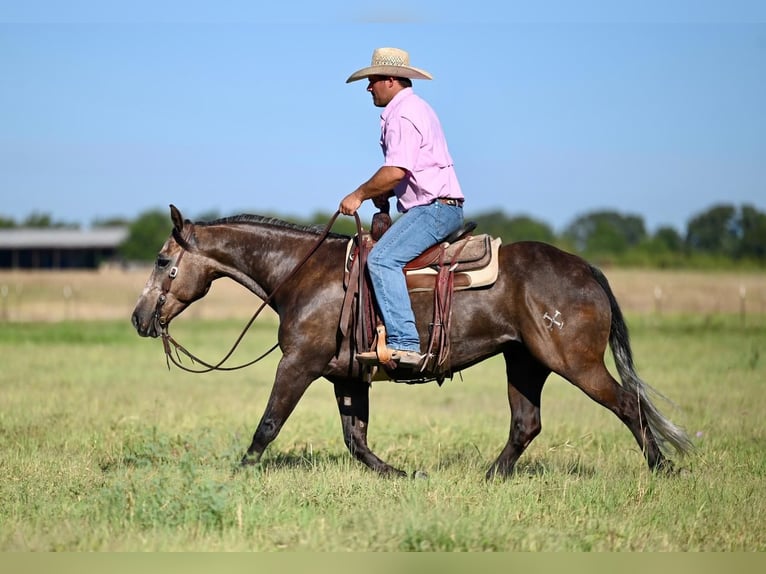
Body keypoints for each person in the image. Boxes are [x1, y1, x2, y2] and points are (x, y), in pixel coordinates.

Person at [339, 47, 465, 368]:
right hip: (435, 206)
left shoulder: (403, 115)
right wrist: (386, 193)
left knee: (381, 260)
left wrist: (360, 194)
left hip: (434, 209)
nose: (369, 88)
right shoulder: (413, 109)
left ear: (392, 80)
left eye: (374, 80)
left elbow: (397, 169)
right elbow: (406, 171)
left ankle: (405, 343)